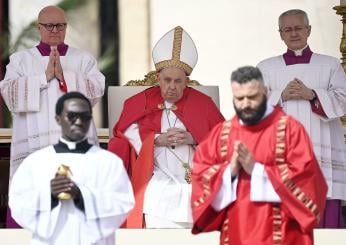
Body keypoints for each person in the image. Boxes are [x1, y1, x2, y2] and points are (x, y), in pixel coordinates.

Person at [191, 66, 327, 245]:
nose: (246, 104)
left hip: (283, 235)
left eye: (252, 97)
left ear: (264, 91)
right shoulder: (221, 134)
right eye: (239, 98)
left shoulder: (290, 130)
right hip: (237, 232)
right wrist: (229, 171)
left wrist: (257, 170)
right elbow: (200, 175)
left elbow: (309, 180)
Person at [108, 26, 224, 228]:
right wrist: (155, 140)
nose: (172, 86)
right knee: (158, 197)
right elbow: (122, 134)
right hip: (156, 177)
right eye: (167, 80)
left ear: (186, 82)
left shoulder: (203, 103)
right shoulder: (138, 102)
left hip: (196, 175)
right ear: (157, 78)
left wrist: (194, 138)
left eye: (178, 81)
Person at [0, 5, 105, 227]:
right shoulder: (21, 60)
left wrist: (65, 76)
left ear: (65, 27)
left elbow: (96, 91)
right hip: (34, 148)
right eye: (49, 26)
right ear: (39, 28)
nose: (55, 30)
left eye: (60, 25)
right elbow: (8, 93)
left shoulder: (83, 59)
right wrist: (43, 77)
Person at [257, 9, 346, 228]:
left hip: (322, 151)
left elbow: (343, 99)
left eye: (298, 28)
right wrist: (279, 96)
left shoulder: (330, 65)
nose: (293, 33)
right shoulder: (265, 68)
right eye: (287, 29)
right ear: (280, 34)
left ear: (308, 30)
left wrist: (313, 95)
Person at [9, 91, 134, 245]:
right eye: (72, 116)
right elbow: (18, 205)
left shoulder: (109, 162)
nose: (78, 121)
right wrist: (49, 195)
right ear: (58, 119)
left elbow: (122, 203)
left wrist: (81, 195)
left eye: (84, 116)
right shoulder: (36, 162)